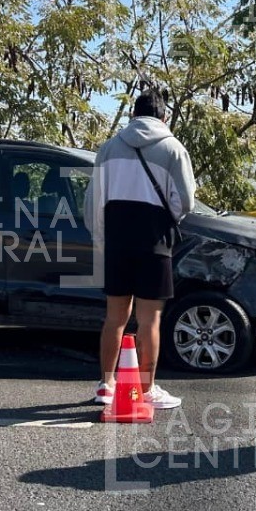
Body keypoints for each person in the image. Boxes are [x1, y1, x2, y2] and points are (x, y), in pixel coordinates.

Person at [84, 89, 196, 410]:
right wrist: (165, 219)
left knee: (115, 317)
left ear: (133, 115)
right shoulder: (173, 148)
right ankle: (146, 390)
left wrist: (103, 239)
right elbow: (185, 200)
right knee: (150, 321)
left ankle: (106, 385)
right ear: (165, 117)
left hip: (117, 242)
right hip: (154, 243)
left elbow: (93, 200)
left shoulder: (109, 147)